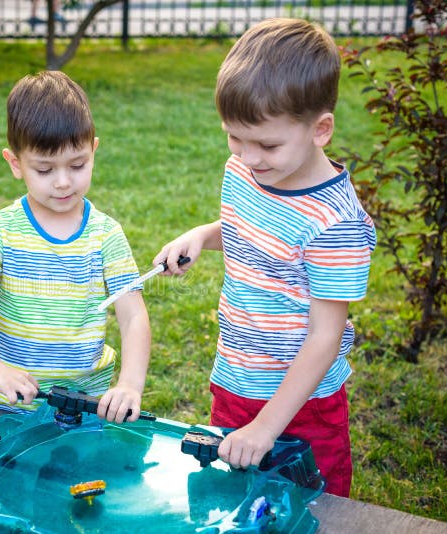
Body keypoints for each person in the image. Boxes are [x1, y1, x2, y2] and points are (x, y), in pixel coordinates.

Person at [154, 18, 376, 497]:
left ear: (320, 129)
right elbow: (247, 231)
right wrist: (201, 235)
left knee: (312, 505)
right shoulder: (244, 169)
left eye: (267, 144)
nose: (248, 156)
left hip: (304, 403)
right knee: (230, 498)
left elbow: (324, 337)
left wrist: (266, 427)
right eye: (234, 137)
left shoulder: (336, 224)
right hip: (234, 375)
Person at [0, 71, 151, 424]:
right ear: (16, 164)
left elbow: (133, 315)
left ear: (94, 151)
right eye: (44, 170)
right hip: (2, 405)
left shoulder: (106, 235)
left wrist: (131, 384)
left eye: (77, 165)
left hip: (82, 407)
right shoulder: (2, 230)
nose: (62, 182)